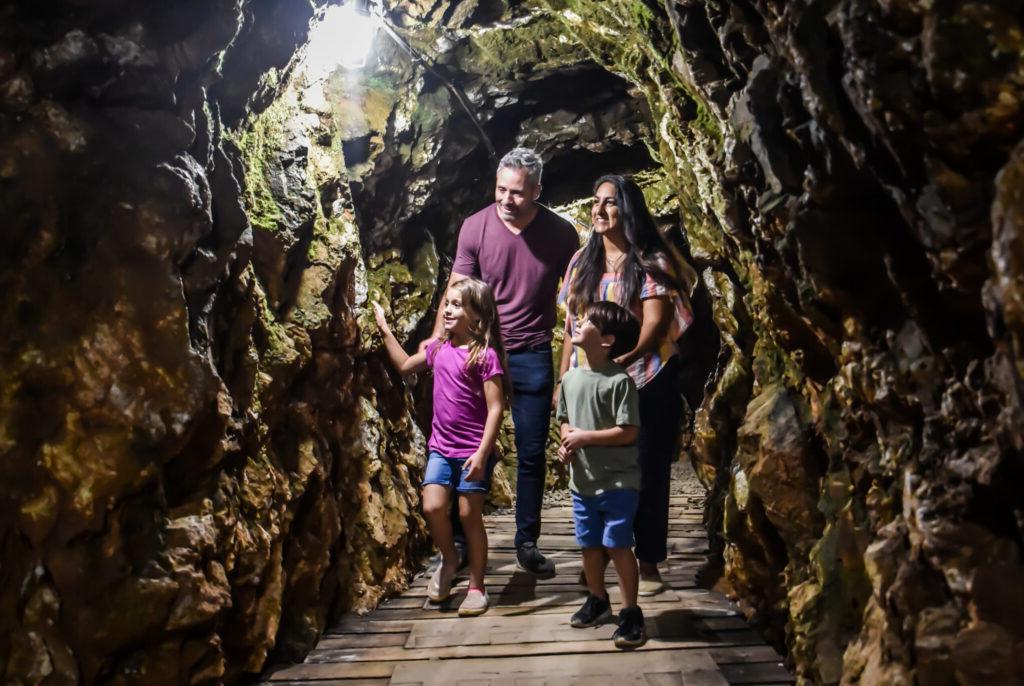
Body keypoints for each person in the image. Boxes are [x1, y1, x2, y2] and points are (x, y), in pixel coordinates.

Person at [429, 148, 578, 577]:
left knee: (531, 451)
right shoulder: (476, 227)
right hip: (480, 350)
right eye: (501, 190)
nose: (507, 200)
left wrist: (569, 365)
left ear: (536, 190)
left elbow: (574, 301)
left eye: (517, 192)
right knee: (470, 445)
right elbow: (457, 290)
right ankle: (459, 536)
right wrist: (440, 340)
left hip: (531, 351)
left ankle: (526, 542)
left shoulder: (561, 234)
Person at [558, 174, 696, 596]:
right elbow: (571, 325)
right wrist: (565, 377)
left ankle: (648, 560)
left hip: (647, 376)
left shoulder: (650, 259)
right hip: (594, 382)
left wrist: (626, 360)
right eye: (595, 202)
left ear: (628, 209)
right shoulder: (583, 262)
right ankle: (598, 557)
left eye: (610, 202)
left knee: (647, 467)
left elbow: (654, 322)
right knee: (595, 468)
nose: (599, 210)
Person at [374, 277, 509, 616]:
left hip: (473, 451)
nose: (447, 310)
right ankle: (451, 560)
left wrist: (482, 453)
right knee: (433, 507)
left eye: (456, 305)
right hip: (441, 448)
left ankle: (477, 586)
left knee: (468, 514)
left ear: (476, 317)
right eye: (446, 303)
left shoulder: (484, 356)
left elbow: (496, 407)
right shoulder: (437, 350)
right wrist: (382, 328)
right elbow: (405, 365)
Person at [556, 300, 645, 648]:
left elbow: (629, 431)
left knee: (618, 544)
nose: (580, 322)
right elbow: (564, 419)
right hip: (583, 482)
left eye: (589, 320)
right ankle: (598, 598)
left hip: (619, 481)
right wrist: (567, 441)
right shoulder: (570, 379)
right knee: (589, 545)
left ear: (607, 340)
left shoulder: (620, 382)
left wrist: (584, 437)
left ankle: (631, 612)